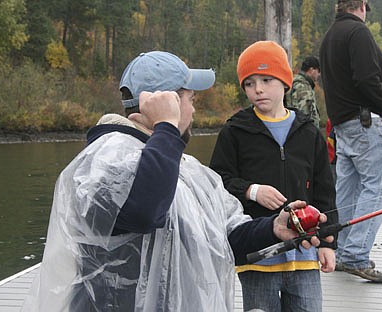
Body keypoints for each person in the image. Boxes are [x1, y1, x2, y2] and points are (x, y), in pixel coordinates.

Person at [23, 51, 330, 312]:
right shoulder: (104, 160)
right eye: (190, 98)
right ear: (165, 101)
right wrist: (167, 127)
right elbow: (145, 212)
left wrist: (273, 228)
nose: (194, 109)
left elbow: (223, 236)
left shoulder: (184, 167)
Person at [210, 41, 338, 312]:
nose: (257, 89)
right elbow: (216, 182)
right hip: (257, 258)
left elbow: (325, 191)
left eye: (266, 80)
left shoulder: (309, 132)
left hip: (304, 255)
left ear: (285, 82)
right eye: (249, 83)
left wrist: (328, 243)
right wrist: (251, 191)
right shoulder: (234, 131)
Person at [319, 0, 382, 283]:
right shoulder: (358, 32)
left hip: (342, 127)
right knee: (376, 191)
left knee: (347, 192)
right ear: (362, 5)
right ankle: (355, 256)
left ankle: (340, 250)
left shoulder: (329, 37)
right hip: (365, 124)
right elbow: (366, 78)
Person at [288, 56, 321, 128]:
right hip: (306, 134)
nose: (319, 75)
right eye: (318, 71)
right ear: (312, 70)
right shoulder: (302, 87)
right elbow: (304, 115)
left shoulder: (299, 84)